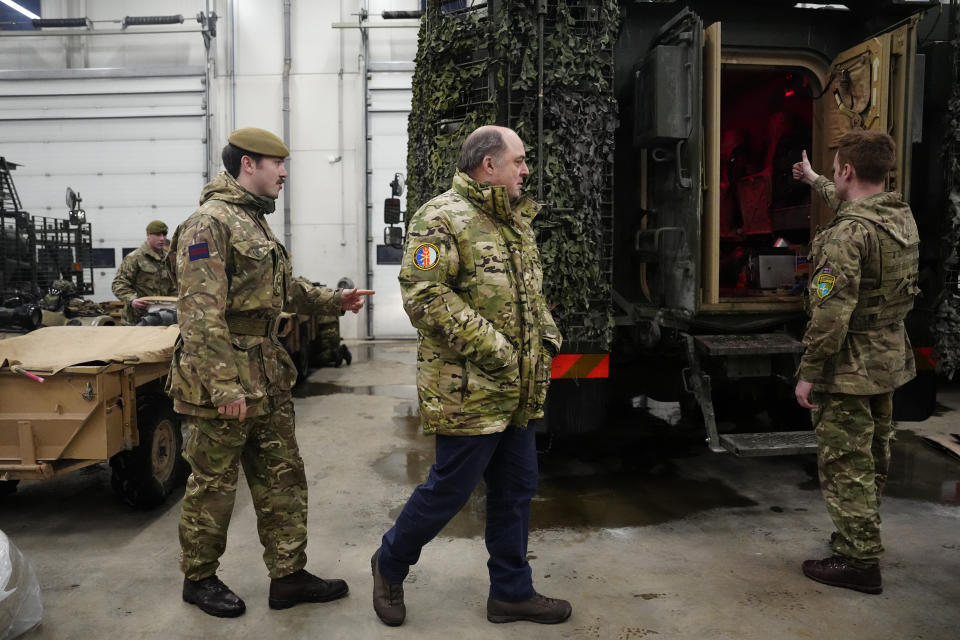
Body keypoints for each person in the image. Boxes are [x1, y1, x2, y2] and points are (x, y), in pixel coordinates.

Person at [167, 127, 374, 618]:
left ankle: (288, 575)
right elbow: (199, 314)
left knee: (283, 478)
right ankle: (198, 579)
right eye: (276, 164)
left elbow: (278, 291)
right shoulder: (208, 225)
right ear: (247, 165)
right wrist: (222, 387)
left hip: (266, 372)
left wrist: (331, 300)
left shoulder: (253, 222)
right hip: (225, 379)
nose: (283, 173)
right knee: (214, 484)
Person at [370, 125, 568, 626]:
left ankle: (511, 592)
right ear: (488, 166)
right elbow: (424, 295)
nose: (526, 170)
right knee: (449, 492)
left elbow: (529, 295)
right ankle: (389, 563)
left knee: (517, 489)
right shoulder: (439, 218)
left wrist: (545, 337)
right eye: (519, 161)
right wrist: (499, 350)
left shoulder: (514, 222)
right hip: (469, 392)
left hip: (517, 390)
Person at [792, 130, 919, 595]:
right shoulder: (898, 216)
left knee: (846, 462)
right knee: (873, 457)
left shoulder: (845, 236)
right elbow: (852, 205)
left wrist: (809, 372)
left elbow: (829, 314)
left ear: (846, 169)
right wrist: (813, 179)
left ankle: (859, 561)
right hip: (887, 360)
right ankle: (857, 533)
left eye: (836, 169)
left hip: (847, 367)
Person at [111, 220, 176, 324]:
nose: (162, 238)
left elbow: (173, 285)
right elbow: (119, 284)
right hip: (136, 319)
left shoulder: (168, 258)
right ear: (148, 235)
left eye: (164, 234)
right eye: (158, 234)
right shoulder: (135, 258)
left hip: (163, 318)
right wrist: (132, 300)